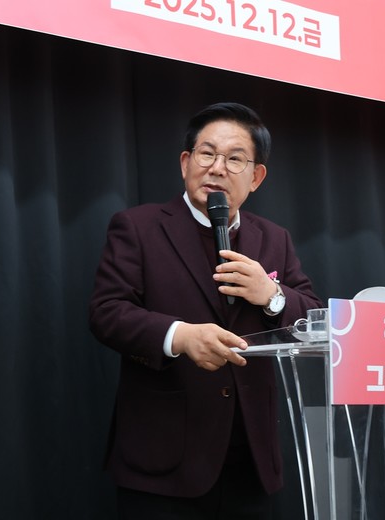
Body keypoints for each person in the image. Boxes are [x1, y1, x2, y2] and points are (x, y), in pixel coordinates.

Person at [89, 102, 322, 519]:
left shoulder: (275, 239)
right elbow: (107, 312)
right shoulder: (138, 227)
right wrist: (180, 336)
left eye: (234, 159)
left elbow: (313, 319)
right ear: (186, 162)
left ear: (256, 177)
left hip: (251, 461)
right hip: (164, 459)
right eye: (207, 153)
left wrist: (271, 294)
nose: (217, 168)